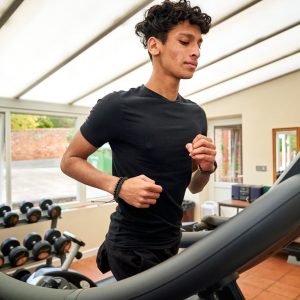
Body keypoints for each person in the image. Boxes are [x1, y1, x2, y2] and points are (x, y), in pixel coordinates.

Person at [60, 0, 216, 281]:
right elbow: (69, 161)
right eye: (185, 41)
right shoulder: (117, 106)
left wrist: (205, 167)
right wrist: (118, 186)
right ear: (154, 45)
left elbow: (193, 185)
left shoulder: (196, 114)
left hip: (170, 239)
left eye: (199, 44)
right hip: (131, 245)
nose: (196, 51)